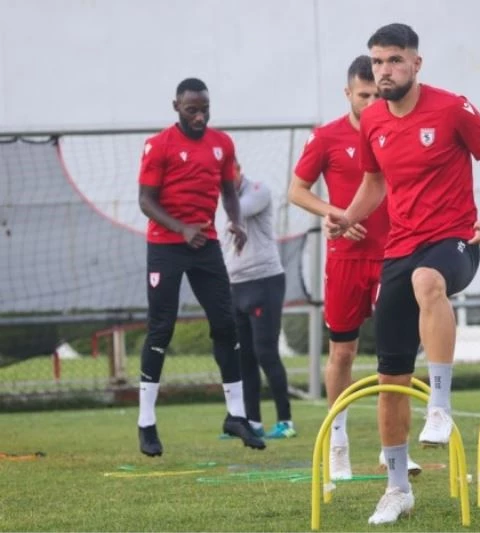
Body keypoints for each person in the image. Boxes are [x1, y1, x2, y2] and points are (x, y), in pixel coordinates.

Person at [324, 24, 480, 525]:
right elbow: (374, 182)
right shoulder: (372, 120)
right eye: (377, 62)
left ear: (416, 63)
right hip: (399, 249)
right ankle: (397, 489)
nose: (384, 71)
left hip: (456, 242)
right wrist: (347, 217)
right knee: (389, 378)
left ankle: (440, 405)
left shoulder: (452, 108)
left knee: (428, 280)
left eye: (394, 60)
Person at [288, 55, 421, 479]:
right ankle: (338, 443)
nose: (371, 102)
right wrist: (335, 214)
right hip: (345, 259)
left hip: (394, 255)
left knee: (395, 356)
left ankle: (394, 449)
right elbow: (297, 190)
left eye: (376, 95)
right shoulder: (326, 137)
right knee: (343, 352)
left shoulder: (396, 130)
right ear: (348, 93)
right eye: (363, 95)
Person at [136, 77, 265, 456]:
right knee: (161, 328)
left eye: (204, 109)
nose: (199, 116)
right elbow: (145, 201)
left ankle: (236, 416)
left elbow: (228, 192)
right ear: (176, 107)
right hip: (166, 246)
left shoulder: (222, 144)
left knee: (225, 325)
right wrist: (181, 228)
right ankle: (146, 422)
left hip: (205, 244)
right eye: (192, 110)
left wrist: (237, 222)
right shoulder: (159, 145)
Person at [221, 159, 296, 440]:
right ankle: (252, 421)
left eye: (228, 173)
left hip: (264, 281)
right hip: (236, 283)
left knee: (266, 352)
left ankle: (285, 421)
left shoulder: (258, 190)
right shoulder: (221, 199)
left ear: (238, 170)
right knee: (244, 356)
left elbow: (239, 210)